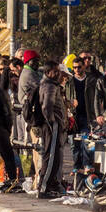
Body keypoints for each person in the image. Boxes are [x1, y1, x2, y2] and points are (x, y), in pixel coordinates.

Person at [37, 61, 68, 201]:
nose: (58, 74)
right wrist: (53, 121)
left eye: (58, 71)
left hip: (54, 126)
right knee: (50, 157)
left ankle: (51, 186)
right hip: (52, 126)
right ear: (48, 73)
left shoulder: (53, 85)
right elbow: (47, 106)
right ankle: (43, 188)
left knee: (54, 157)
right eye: (55, 72)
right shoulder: (49, 86)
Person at [17, 50, 43, 180]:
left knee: (32, 146)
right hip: (30, 115)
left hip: (29, 113)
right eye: (35, 61)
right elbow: (41, 87)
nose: (37, 64)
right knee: (33, 145)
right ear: (28, 61)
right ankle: (30, 173)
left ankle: (31, 173)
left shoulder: (31, 72)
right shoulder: (28, 74)